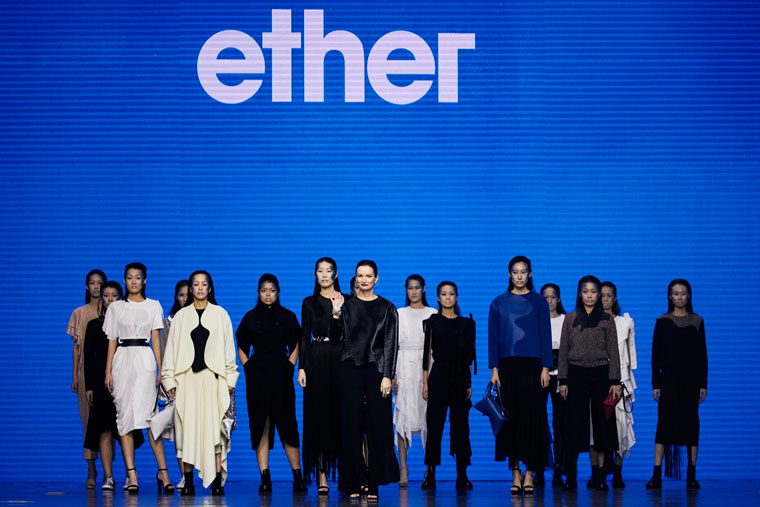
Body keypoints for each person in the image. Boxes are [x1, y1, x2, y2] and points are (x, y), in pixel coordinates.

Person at [162, 270, 239, 496]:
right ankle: (188, 481)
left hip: (213, 381)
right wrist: (169, 380)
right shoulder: (181, 317)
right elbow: (171, 351)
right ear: (190, 288)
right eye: (196, 284)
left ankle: (216, 481)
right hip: (186, 381)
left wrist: (230, 379)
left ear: (210, 288)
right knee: (187, 431)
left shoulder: (220, 314)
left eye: (204, 284)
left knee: (216, 431)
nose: (200, 288)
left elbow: (229, 350)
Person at [331, 260, 400, 501]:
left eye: (368, 276)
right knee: (350, 426)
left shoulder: (387, 308)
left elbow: (391, 344)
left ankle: (373, 483)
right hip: (349, 368)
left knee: (377, 427)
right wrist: (336, 314)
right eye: (360, 275)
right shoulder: (347, 306)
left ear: (376, 278)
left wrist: (388, 375)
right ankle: (354, 480)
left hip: (376, 370)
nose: (364, 280)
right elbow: (335, 339)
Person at [103, 262, 173, 495]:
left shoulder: (153, 306)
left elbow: (155, 339)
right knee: (124, 418)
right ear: (124, 280)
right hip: (122, 361)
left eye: (137, 277)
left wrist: (161, 370)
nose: (133, 281)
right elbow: (112, 341)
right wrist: (107, 371)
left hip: (145, 360)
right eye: (129, 277)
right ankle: (131, 473)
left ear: (144, 280)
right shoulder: (116, 308)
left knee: (151, 419)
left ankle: (163, 472)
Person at [236, 274, 308, 493]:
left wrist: (289, 366)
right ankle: (265, 477)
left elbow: (296, 343)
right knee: (261, 425)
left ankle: (298, 476)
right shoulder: (250, 317)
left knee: (287, 424)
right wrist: (248, 367)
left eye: (272, 290)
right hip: (257, 377)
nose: (268, 294)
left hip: (281, 375)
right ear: (258, 293)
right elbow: (241, 346)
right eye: (264, 290)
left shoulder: (287, 316)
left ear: (278, 292)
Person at [488, 256, 552, 496]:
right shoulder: (498, 302)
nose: (519, 276)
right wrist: (494, 369)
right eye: (515, 272)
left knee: (533, 420)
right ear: (509, 274)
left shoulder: (539, 301)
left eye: (523, 271)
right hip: (507, 367)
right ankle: (515, 472)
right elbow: (493, 337)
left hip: (534, 367)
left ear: (530, 274)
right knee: (511, 419)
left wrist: (546, 367)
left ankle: (530, 473)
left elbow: (545, 335)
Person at [558, 275, 621, 491]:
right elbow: (564, 351)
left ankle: (601, 475)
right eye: (585, 291)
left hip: (601, 374)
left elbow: (613, 351)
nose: (590, 296)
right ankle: (571, 476)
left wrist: (615, 381)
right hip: (575, 374)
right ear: (579, 293)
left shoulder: (606, 319)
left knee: (603, 424)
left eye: (594, 292)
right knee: (574, 425)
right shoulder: (570, 318)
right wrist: (563, 380)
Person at [646, 279, 707, 490]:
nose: (679, 297)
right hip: (668, 381)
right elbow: (655, 355)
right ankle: (656, 475)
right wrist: (656, 384)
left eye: (683, 293)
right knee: (663, 425)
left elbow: (702, 355)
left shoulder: (697, 321)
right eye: (676, 293)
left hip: (691, 381)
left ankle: (691, 474)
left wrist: (703, 384)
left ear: (689, 296)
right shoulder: (662, 321)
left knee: (691, 425)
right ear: (669, 296)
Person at [421, 281, 476, 490]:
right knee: (435, 425)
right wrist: (425, 382)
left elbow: (470, 356)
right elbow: (426, 354)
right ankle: (430, 473)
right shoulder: (432, 322)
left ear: (456, 297)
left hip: (461, 377)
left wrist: (469, 383)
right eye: (443, 294)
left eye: (451, 294)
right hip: (439, 375)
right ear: (438, 298)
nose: (447, 297)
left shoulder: (467, 323)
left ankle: (462, 474)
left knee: (461, 426)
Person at [298, 257, 346, 495]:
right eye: (320, 271)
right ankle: (321, 474)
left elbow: (345, 335)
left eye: (329, 270)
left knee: (342, 417)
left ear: (336, 274)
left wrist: (337, 312)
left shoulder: (347, 300)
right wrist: (302, 368)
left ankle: (346, 473)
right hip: (316, 360)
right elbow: (304, 336)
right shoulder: (309, 302)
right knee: (317, 418)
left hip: (340, 359)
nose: (324, 275)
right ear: (314, 275)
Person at [589, 281, 636, 488]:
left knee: (620, 425)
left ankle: (617, 472)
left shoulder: (625, 323)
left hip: (621, 381)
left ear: (615, 298)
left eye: (609, 295)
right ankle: (596, 473)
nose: (606, 299)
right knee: (594, 426)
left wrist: (626, 381)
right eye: (603, 295)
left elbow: (630, 356)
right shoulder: (591, 322)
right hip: (596, 379)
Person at [393, 274, 436, 486]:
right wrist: (393, 374)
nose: (414, 291)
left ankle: (430, 468)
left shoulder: (433, 313)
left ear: (424, 288)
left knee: (430, 418)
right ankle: (403, 467)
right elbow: (393, 345)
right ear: (405, 290)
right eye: (410, 288)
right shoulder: (399, 313)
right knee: (403, 417)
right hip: (403, 367)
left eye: (417, 287)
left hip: (427, 366)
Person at [68, 269, 106, 488]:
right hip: (86, 373)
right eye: (92, 283)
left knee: (110, 423)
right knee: (88, 421)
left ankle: (109, 473)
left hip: (109, 372)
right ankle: (91, 469)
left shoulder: (112, 311)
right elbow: (76, 348)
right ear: (86, 286)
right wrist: (75, 375)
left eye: (100, 283)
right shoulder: (79, 313)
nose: (96, 287)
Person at [82, 281, 122, 491]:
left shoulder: (127, 324)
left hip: (125, 380)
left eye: (114, 295)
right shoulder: (94, 325)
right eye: (106, 295)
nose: (110, 299)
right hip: (100, 383)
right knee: (104, 429)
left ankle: (130, 475)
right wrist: (89, 386)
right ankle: (108, 476)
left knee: (125, 430)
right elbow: (88, 357)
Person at [160, 279, 190, 488]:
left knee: (199, 430)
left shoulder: (205, 318)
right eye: (181, 295)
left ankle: (207, 474)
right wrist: (167, 382)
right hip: (176, 384)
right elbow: (163, 354)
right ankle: (185, 475)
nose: (185, 298)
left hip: (198, 382)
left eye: (188, 294)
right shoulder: (168, 322)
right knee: (180, 431)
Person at [540, 283, 567, 487]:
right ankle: (538, 468)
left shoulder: (567, 320)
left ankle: (559, 467)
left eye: (553, 297)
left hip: (561, 376)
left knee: (560, 423)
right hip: (540, 375)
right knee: (539, 423)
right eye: (545, 297)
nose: (549, 301)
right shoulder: (536, 320)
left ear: (558, 299)